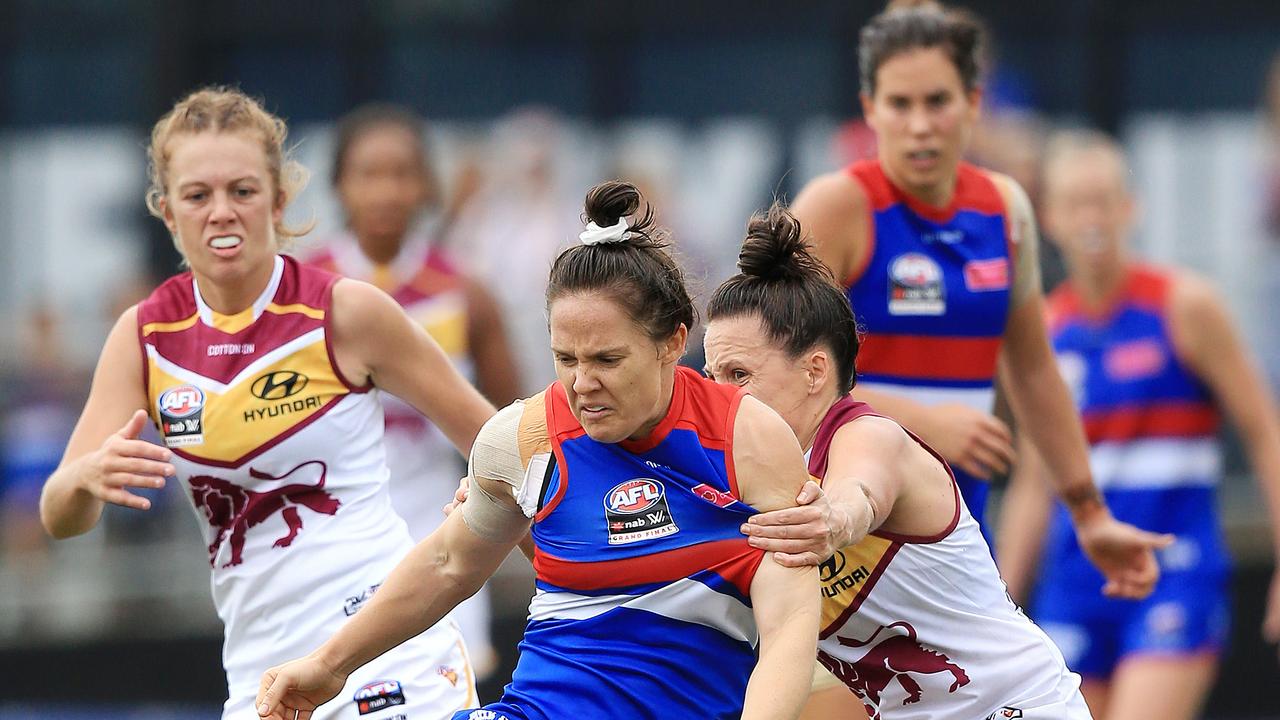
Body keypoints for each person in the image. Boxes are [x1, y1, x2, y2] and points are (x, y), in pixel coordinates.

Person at [255, 181, 820, 720]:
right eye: (565, 359)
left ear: (674, 340)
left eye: (606, 360)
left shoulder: (748, 440)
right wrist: (328, 666)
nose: (581, 384)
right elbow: (448, 563)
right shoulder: (523, 438)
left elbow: (789, 627)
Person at [37, 87, 495, 719]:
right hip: (258, 673)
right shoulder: (144, 337)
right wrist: (83, 478)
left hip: (386, 653)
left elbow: (499, 442)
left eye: (243, 191)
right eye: (198, 195)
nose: (221, 211)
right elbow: (60, 515)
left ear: (279, 202)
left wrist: (566, 579)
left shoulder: (345, 311)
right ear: (168, 213)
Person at [787, 2, 1168, 566]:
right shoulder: (838, 206)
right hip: (847, 538)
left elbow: (1034, 370)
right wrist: (920, 422)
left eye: (937, 101)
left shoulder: (1005, 208)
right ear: (870, 109)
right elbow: (776, 377)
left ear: (973, 102)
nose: (920, 125)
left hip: (960, 532)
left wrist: (1089, 513)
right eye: (900, 103)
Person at [702, 202, 1092, 719]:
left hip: (1018, 705)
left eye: (738, 374)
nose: (719, 396)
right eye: (710, 376)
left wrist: (834, 519)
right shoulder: (748, 476)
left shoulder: (867, 435)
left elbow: (859, 492)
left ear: (815, 371)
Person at [996, 131, 1280, 720]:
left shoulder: (1185, 307)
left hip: (1174, 574)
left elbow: (1264, 429)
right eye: (1076, 203)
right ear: (1050, 218)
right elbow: (1032, 483)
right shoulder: (1044, 331)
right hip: (1075, 583)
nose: (1092, 217)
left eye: (1104, 200)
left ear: (1132, 207)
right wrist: (995, 606)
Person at [309, 103, 521, 672]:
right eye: (368, 174)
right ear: (339, 185)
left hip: (443, 522)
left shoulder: (465, 293)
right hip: (332, 524)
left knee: (454, 674)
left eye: (402, 173)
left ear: (426, 184)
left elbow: (512, 424)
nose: (386, 191)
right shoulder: (303, 290)